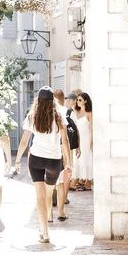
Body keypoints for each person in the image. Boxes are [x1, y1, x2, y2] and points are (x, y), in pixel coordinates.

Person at [14, 86, 71, 243]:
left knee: (40, 197)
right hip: (54, 160)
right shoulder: (59, 116)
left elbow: (24, 141)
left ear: (38, 100)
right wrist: (68, 163)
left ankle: (45, 231)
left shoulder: (32, 116)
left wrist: (17, 160)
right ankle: (44, 226)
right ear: (53, 100)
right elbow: (65, 141)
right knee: (48, 194)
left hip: (36, 159)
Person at [49, 89, 72, 222]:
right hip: (57, 154)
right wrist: (68, 160)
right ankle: (61, 212)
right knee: (60, 184)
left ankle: (49, 215)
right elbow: (65, 140)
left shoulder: (40, 114)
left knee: (48, 186)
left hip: (42, 155)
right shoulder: (61, 114)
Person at [74, 92, 93, 190]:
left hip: (87, 138)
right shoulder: (76, 113)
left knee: (87, 158)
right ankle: (82, 178)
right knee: (79, 159)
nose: (78, 101)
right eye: (77, 100)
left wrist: (92, 142)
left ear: (85, 101)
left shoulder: (89, 113)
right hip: (79, 138)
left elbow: (92, 128)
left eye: (80, 100)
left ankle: (88, 181)